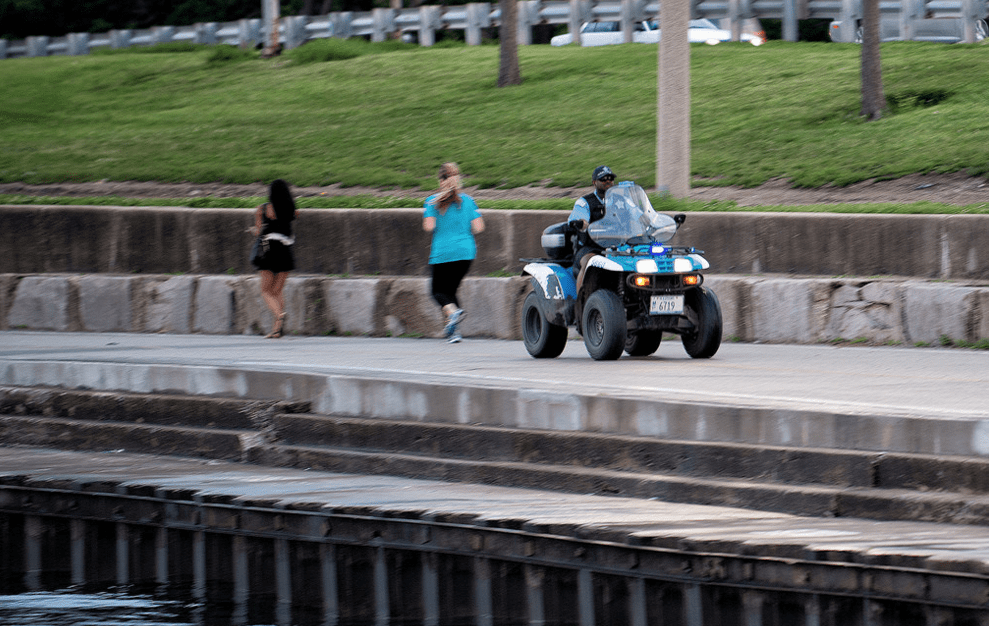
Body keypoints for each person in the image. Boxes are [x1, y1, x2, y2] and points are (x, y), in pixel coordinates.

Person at [422, 162, 485, 344]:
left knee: (437, 292)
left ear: (440, 180)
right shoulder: (469, 201)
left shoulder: (432, 201)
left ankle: (453, 313)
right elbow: (479, 227)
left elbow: (429, 227)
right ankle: (453, 332)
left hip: (443, 253)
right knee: (450, 292)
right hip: (466, 253)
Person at [252, 179, 297, 338]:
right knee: (277, 291)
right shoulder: (291, 210)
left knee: (265, 291)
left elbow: (258, 232)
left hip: (268, 251)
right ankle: (277, 329)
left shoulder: (263, 209)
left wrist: (255, 229)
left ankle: (279, 315)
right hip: (286, 252)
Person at [567, 165, 615, 290]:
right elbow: (578, 219)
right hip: (590, 248)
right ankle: (582, 299)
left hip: (617, 248)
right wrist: (581, 223)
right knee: (589, 261)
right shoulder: (584, 202)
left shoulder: (621, 202)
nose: (608, 181)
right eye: (603, 179)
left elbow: (638, 216)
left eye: (610, 178)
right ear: (594, 182)